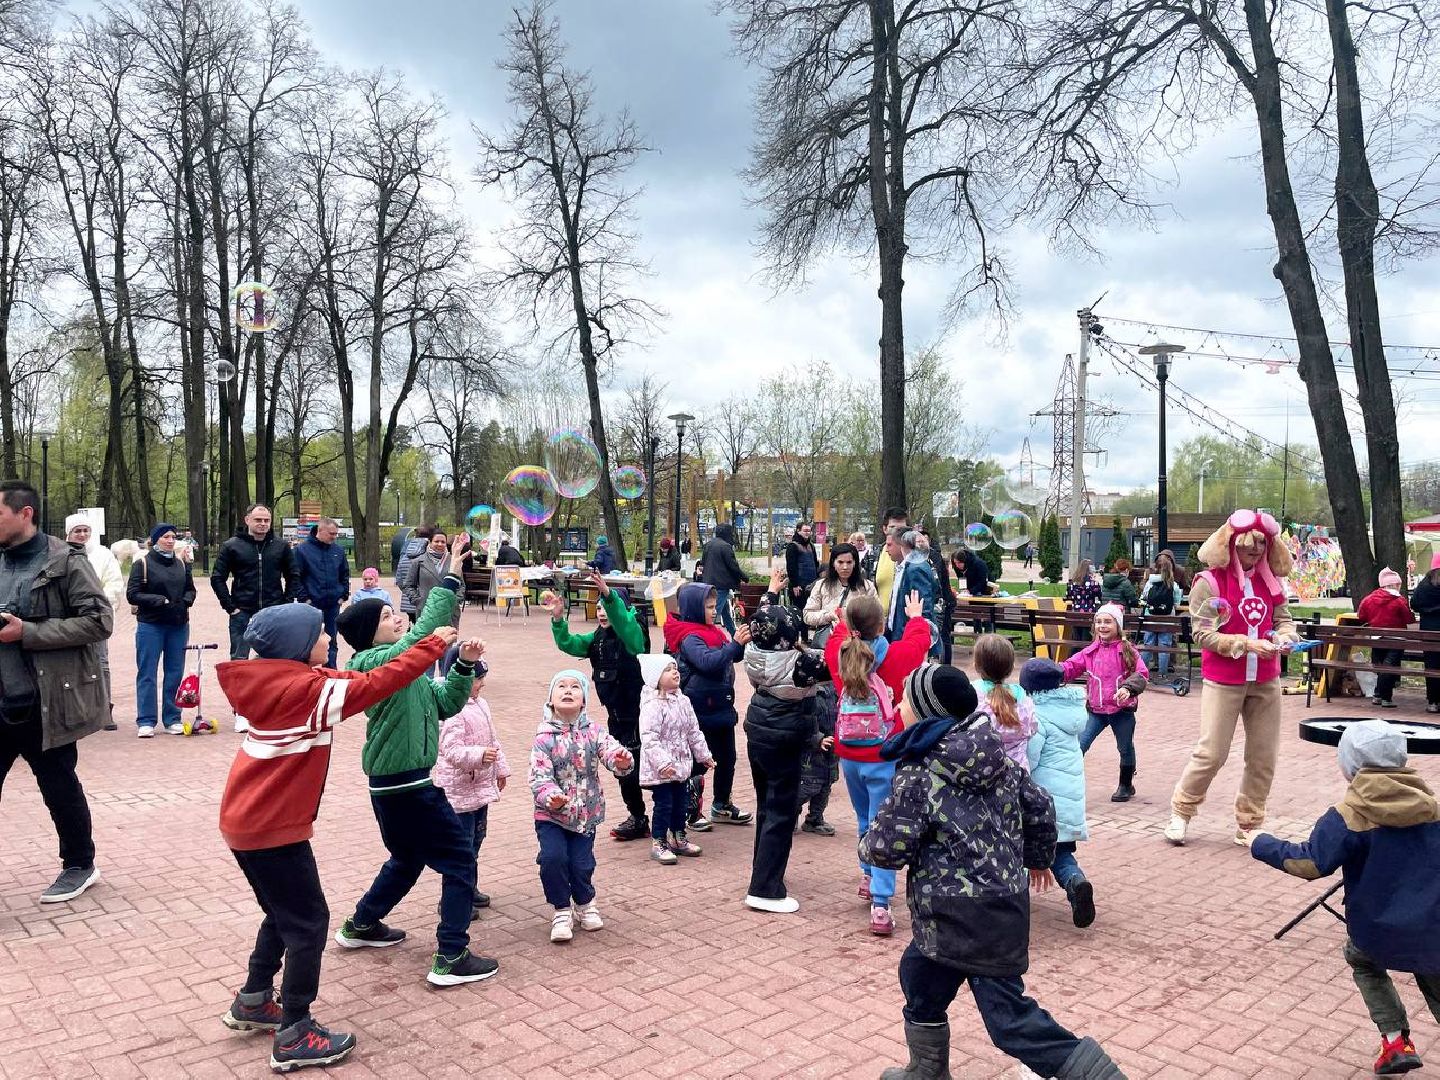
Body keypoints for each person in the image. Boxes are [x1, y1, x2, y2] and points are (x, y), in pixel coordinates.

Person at [215, 605, 449, 1072]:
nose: (328, 637)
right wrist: (431, 646)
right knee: (308, 923)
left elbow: (341, 674)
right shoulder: (304, 690)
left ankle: (255, 998)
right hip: (271, 826)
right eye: (320, 633)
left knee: (283, 914)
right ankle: (296, 1030)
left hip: (248, 821)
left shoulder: (273, 678)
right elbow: (373, 684)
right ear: (300, 647)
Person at [864, 664, 1126, 1080]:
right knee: (920, 975)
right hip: (998, 907)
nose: (898, 705)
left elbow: (886, 849)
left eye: (905, 701)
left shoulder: (920, 772)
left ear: (929, 715)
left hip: (957, 916)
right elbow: (1040, 803)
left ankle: (1098, 1076)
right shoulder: (995, 757)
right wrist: (1039, 857)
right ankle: (926, 1069)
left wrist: (869, 842)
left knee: (1009, 1021)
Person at [333, 535, 499, 988]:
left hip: (397, 786)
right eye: (387, 616)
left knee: (406, 859)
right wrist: (450, 576)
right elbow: (424, 631)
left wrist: (463, 666)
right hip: (407, 786)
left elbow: (443, 703)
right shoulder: (375, 662)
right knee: (460, 859)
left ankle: (362, 925)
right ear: (370, 634)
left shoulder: (404, 668)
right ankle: (451, 954)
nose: (397, 617)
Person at [1247, 720, 1440, 1078]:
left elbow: (1309, 863)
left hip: (1376, 929)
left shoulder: (1347, 815)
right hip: (1433, 926)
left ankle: (1396, 1041)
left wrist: (1260, 843)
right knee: (1432, 969)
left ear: (1349, 766)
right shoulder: (1433, 807)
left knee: (1362, 959)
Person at [0, 479, 111, 904]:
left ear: (24, 514)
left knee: (57, 784)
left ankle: (80, 864)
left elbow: (99, 622)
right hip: (0, 697)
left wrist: (27, 632)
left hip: (44, 701)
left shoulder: (66, 561)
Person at [1166, 509, 1299, 847]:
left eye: (1261, 544)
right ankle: (1181, 811)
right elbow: (1202, 634)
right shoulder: (1208, 582)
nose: (1255, 551)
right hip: (1224, 679)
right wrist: (1245, 644)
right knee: (1212, 753)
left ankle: (1249, 822)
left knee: (1263, 756)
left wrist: (1286, 636)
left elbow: (1283, 619)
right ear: (1230, 544)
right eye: (1247, 545)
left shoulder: (1272, 581)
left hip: (1266, 680)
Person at [823, 592, 931, 937]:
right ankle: (881, 904)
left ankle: (868, 875)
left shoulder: (838, 653)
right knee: (884, 823)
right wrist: (915, 615)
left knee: (864, 818)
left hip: (849, 752)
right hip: (885, 753)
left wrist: (843, 619)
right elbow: (919, 641)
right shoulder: (896, 657)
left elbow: (839, 635)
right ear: (883, 624)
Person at [741, 586, 832, 914]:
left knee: (767, 805)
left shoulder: (754, 650)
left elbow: (763, 620)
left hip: (759, 730)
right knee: (782, 811)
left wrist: (771, 594)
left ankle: (762, 870)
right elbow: (836, 663)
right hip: (785, 735)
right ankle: (765, 889)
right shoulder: (801, 664)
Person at [542, 571, 652, 842]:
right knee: (624, 767)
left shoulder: (633, 634)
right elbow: (570, 643)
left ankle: (676, 809)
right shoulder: (598, 639)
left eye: (607, 607)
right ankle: (638, 817)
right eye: (599, 607)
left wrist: (609, 596)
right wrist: (558, 619)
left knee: (647, 765)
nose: (602, 612)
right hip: (617, 714)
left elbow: (629, 630)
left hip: (641, 714)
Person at [529, 669, 635, 943]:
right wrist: (551, 795)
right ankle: (561, 909)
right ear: (550, 699)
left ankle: (585, 903)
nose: (567, 690)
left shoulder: (594, 732)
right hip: (550, 815)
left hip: (585, 814)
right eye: (561, 686)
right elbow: (539, 777)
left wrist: (621, 760)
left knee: (581, 863)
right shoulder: (543, 738)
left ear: (584, 700)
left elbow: (610, 751)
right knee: (553, 859)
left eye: (575, 687)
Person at [664, 582, 753, 829]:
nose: (715, 611)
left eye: (715, 606)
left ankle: (722, 804)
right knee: (697, 761)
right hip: (700, 709)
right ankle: (690, 811)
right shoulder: (690, 636)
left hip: (721, 705)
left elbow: (732, 655)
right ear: (694, 608)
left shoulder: (714, 631)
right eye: (710, 607)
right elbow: (707, 662)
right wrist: (733, 645)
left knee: (727, 757)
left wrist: (739, 644)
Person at [431, 644, 508, 916]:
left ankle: (469, 887)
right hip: (458, 792)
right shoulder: (451, 708)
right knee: (459, 846)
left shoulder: (480, 704)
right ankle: (451, 898)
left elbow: (492, 738)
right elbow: (449, 750)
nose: (482, 684)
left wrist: (500, 767)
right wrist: (478, 756)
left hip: (479, 787)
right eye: (477, 679)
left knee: (476, 839)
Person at [1021, 658, 1097, 929]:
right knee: (1060, 853)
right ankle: (1075, 882)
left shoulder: (1038, 717)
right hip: (1067, 802)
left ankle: (1013, 899)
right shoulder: (1070, 713)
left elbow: (1029, 759)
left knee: (1021, 846)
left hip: (1042, 803)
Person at [211, 503, 297, 732]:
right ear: (247, 519)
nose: (262, 524)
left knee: (276, 665)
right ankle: (241, 712)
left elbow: (293, 575)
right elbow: (217, 577)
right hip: (242, 613)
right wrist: (231, 607)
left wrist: (285, 606)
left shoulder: (280, 547)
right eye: (258, 520)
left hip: (273, 613)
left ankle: (272, 710)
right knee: (240, 663)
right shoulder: (232, 546)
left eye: (266, 520)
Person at [1064, 604, 1148, 803]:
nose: (1103, 626)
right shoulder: (1090, 652)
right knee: (1079, 745)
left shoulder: (1127, 650)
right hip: (1096, 710)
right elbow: (1071, 666)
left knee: (1125, 747)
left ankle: (1125, 784)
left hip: (1122, 710)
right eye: (1099, 621)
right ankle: (1068, 784)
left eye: (1108, 621)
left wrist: (1128, 689)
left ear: (1118, 625)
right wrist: (1051, 672)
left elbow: (1142, 673)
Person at [637, 653, 713, 865]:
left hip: (681, 766)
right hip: (660, 769)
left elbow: (693, 732)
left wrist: (704, 755)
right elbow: (649, 739)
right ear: (655, 678)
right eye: (668, 670)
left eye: (675, 668)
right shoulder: (652, 705)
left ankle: (678, 836)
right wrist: (663, 763)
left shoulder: (683, 701)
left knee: (681, 803)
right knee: (664, 804)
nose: (675, 672)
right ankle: (659, 841)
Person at [126, 524, 196, 737]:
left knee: (175, 672)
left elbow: (190, 589)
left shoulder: (181, 565)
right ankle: (146, 720)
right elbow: (133, 594)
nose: (170, 540)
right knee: (147, 672)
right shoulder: (143, 564)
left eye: (173, 537)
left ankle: (172, 717)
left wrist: (186, 601)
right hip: (151, 625)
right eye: (166, 536)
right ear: (155, 539)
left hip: (178, 625)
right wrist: (158, 600)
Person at [65, 515, 122, 731]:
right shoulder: (60, 554)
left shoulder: (103, 555)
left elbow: (114, 584)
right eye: (77, 531)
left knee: (100, 663)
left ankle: (104, 710)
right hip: (69, 620)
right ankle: (73, 712)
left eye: (85, 530)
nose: (82, 535)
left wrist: (94, 605)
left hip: (94, 619)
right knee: (68, 665)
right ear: (68, 533)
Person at [972, 633, 1039, 770]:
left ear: (976, 665)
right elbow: (1032, 729)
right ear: (1012, 667)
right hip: (1017, 773)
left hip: (981, 770)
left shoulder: (972, 695)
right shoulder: (1023, 699)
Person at [293, 518, 350, 669]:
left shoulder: (338, 551)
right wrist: (304, 598)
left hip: (332, 605)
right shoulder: (302, 550)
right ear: (320, 531)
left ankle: (331, 671)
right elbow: (295, 577)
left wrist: (343, 595)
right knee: (308, 640)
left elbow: (344, 573)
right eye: (331, 533)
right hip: (311, 605)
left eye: (336, 534)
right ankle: (306, 673)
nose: (334, 537)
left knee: (331, 641)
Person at [1355, 568, 1414, 709]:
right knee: (1388, 668)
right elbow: (1409, 618)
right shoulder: (1399, 600)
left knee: (1382, 667)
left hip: (1377, 638)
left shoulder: (1369, 599)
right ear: (1395, 585)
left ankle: (1377, 694)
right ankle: (1386, 698)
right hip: (1396, 639)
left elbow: (1361, 616)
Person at [802, 542, 877, 648]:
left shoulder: (867, 587)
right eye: (840, 562)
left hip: (858, 648)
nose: (845, 567)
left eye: (849, 562)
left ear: (855, 563)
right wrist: (829, 615)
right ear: (833, 563)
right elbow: (807, 615)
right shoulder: (821, 585)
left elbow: (877, 616)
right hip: (828, 644)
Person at [884, 528, 938, 653]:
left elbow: (923, 608)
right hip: (897, 636)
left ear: (901, 545)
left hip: (911, 641)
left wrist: (919, 641)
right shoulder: (902, 567)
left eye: (889, 545)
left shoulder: (915, 569)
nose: (887, 550)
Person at [401, 529, 462, 632]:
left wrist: (456, 600)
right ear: (429, 542)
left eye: (443, 542)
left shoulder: (454, 561)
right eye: (436, 541)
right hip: (426, 609)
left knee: (448, 641)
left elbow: (461, 584)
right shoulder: (418, 562)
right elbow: (408, 585)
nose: (440, 544)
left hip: (449, 609)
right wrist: (418, 600)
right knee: (426, 642)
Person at [1140, 552, 1184, 679]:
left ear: (1156, 568)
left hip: (1150, 618)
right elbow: (1176, 603)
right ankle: (1162, 674)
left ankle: (1142, 673)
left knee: (1148, 645)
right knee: (1164, 646)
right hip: (1167, 620)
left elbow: (1143, 599)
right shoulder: (1173, 585)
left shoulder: (1150, 583)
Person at [915, 528, 955, 663]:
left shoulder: (934, 557)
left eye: (924, 540)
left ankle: (946, 665)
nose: (922, 543)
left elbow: (936, 582)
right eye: (919, 540)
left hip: (940, 602)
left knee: (942, 636)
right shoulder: (919, 557)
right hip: (936, 601)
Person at [697, 523, 744, 635]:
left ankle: (734, 635)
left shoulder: (708, 545)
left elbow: (703, 563)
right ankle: (704, 635)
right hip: (722, 584)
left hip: (708, 583)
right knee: (714, 612)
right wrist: (744, 577)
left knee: (725, 612)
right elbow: (733, 566)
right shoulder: (726, 547)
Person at [861, 508, 909, 606]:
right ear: (885, 529)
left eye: (901, 529)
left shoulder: (919, 556)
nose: (897, 532)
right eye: (892, 528)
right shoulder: (873, 555)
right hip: (877, 618)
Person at [1411, 553, 1440, 714]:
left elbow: (1414, 604)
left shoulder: (1424, 585)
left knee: (1432, 666)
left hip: (1428, 631)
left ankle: (1433, 701)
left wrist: (1427, 611)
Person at [394, 527, 433, 626]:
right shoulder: (428, 556)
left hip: (409, 601)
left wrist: (409, 593)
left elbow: (399, 579)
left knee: (413, 627)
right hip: (426, 601)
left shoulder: (405, 555)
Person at [784, 522, 820, 612]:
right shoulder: (792, 546)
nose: (807, 533)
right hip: (799, 586)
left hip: (812, 584)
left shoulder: (811, 546)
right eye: (805, 531)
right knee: (799, 610)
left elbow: (816, 564)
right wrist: (795, 585)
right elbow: (791, 567)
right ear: (798, 531)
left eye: (809, 531)